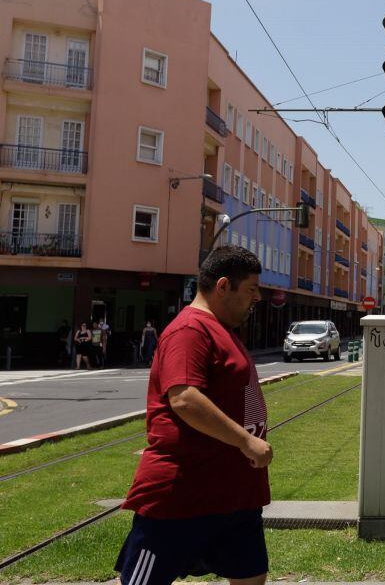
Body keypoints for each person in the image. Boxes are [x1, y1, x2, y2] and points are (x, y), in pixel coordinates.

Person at [115, 246, 271, 585]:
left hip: (234, 494)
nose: (257, 298)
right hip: (184, 494)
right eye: (251, 290)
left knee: (251, 578)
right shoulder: (190, 330)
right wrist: (246, 441)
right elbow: (184, 398)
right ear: (223, 286)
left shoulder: (222, 329)